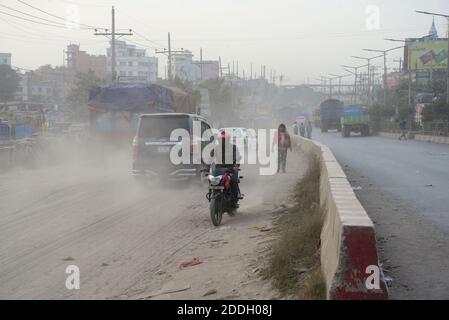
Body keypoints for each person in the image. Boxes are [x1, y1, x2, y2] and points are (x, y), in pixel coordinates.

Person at [213, 130, 242, 206]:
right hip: (218, 169)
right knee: (213, 182)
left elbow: (238, 157)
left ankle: (235, 198)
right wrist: (206, 167)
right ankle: (213, 195)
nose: (222, 141)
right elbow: (210, 158)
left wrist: (236, 166)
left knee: (233, 181)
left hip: (231, 169)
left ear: (228, 140)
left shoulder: (234, 148)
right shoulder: (216, 148)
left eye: (224, 140)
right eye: (220, 140)